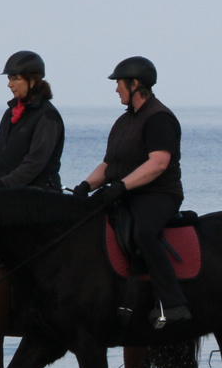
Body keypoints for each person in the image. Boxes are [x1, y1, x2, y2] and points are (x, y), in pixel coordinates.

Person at [74, 56, 191, 328]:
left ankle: (173, 303)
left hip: (159, 195)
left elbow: (158, 163)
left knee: (143, 231)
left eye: (119, 84)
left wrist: (121, 186)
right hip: (125, 192)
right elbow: (109, 164)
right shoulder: (124, 121)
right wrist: (86, 186)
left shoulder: (159, 118)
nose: (116, 89)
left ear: (135, 84)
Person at [0, 50, 65, 191]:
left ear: (32, 81)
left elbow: (33, 165)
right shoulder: (10, 113)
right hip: (9, 191)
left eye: (15, 78)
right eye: (9, 79)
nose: (10, 85)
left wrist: (0, 186)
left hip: (39, 194)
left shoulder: (47, 117)